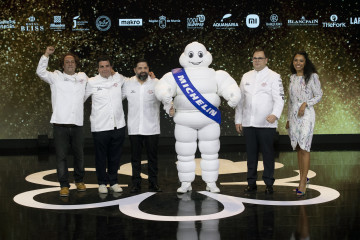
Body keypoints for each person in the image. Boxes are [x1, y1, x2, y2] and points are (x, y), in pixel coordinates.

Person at [155, 42, 241, 193]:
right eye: (191, 54)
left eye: (199, 54)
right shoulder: (176, 75)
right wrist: (165, 95)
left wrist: (233, 95)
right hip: (184, 120)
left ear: (206, 55)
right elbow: (162, 86)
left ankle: (211, 182)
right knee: (184, 153)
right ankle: (185, 183)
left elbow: (228, 86)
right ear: (184, 56)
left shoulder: (216, 74)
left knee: (211, 153)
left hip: (208, 120)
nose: (196, 58)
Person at [36, 46, 87, 197]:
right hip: (60, 125)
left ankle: (79, 180)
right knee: (61, 157)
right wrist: (46, 55)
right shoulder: (55, 76)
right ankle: (64, 185)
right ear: (63, 65)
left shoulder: (83, 77)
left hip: (77, 124)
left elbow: (93, 87)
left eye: (72, 61)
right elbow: (40, 72)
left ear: (76, 64)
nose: (70, 64)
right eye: (67, 62)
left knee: (79, 155)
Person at [235, 48, 285, 194]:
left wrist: (275, 114)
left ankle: (269, 183)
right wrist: (238, 120)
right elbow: (240, 101)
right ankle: (251, 183)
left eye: (260, 58)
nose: (256, 61)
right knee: (251, 156)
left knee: (268, 155)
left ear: (266, 60)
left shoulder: (274, 76)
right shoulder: (246, 76)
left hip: (266, 124)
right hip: (248, 123)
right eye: (255, 58)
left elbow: (280, 98)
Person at [84, 55, 126, 194]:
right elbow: (81, 98)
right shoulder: (91, 82)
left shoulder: (118, 79)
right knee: (101, 157)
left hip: (118, 125)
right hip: (100, 126)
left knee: (115, 156)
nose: (104, 69)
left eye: (107, 66)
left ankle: (113, 182)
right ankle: (102, 183)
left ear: (111, 67)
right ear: (98, 68)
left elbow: (132, 82)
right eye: (101, 66)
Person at [122, 59, 162, 193]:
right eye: (140, 68)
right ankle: (136, 184)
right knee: (135, 159)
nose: (142, 70)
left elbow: (166, 96)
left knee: (152, 159)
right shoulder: (128, 84)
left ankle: (154, 183)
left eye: (145, 68)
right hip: (134, 128)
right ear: (135, 70)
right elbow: (116, 97)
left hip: (152, 128)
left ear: (148, 69)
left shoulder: (156, 83)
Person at [286, 51, 323, 196]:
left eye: (301, 61)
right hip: (294, 116)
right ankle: (303, 176)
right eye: (295, 60)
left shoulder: (312, 77)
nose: (298, 63)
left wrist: (306, 104)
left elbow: (319, 95)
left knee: (305, 147)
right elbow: (290, 100)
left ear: (305, 63)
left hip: (307, 115)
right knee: (298, 147)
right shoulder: (292, 77)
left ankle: (302, 183)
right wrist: (288, 118)